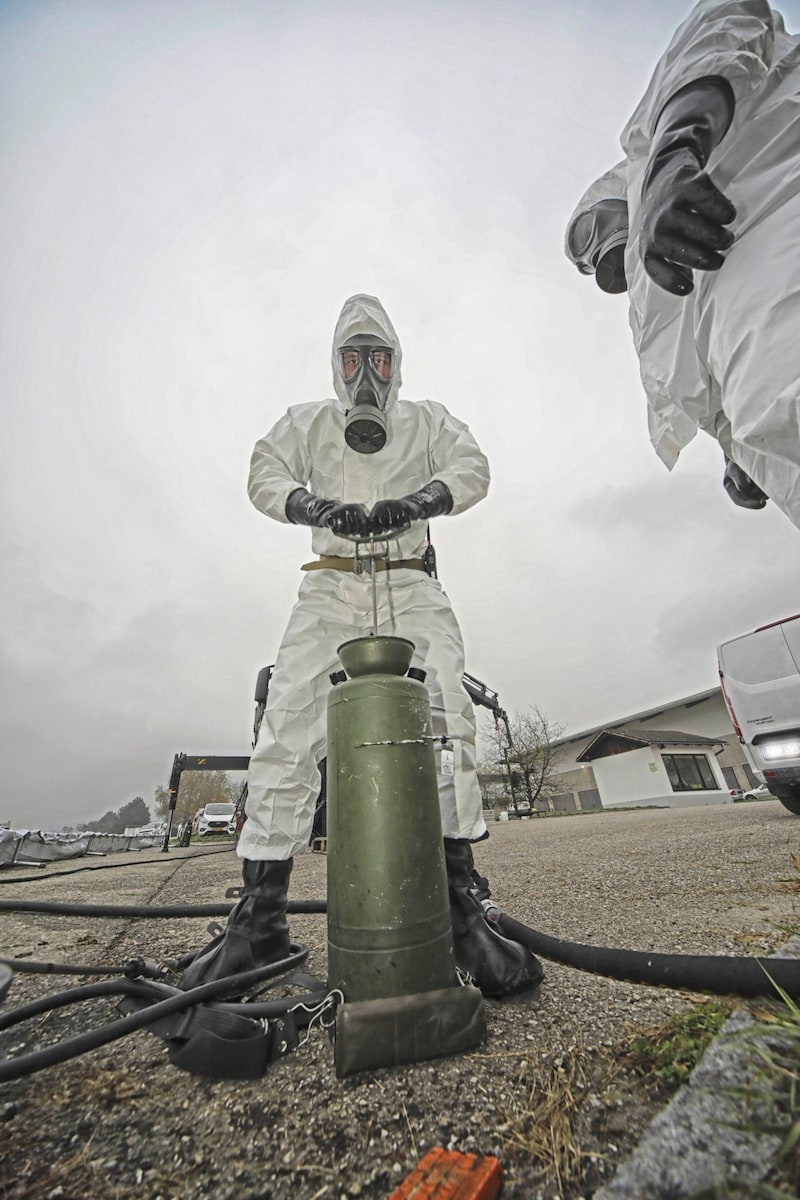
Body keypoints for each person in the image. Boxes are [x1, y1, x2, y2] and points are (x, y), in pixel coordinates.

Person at [181, 293, 542, 997]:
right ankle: (259, 926)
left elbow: (474, 467)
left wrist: (422, 502)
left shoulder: (426, 421)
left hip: (410, 581)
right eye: (353, 359)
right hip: (329, 586)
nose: (366, 375)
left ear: (397, 364)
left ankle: (460, 911)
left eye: (379, 358)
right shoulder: (309, 424)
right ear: (335, 365)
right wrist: (313, 507)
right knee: (286, 728)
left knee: (446, 720)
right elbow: (263, 471)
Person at [564, 0, 800, 531]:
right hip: (774, 421)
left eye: (589, 233)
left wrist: (674, 146)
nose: (600, 253)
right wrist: (736, 448)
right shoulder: (658, 295)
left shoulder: (652, 143)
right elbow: (702, 367)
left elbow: (725, 21)